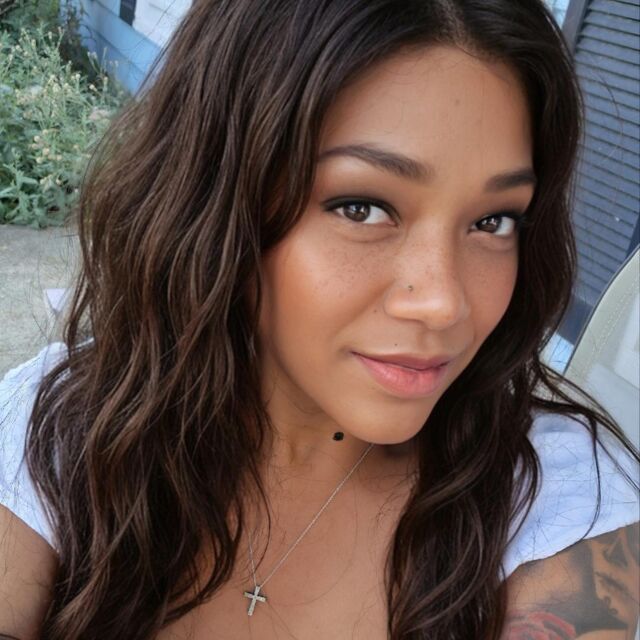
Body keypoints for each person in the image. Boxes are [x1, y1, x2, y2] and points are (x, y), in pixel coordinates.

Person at [0, 0, 638, 638]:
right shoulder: (63, 430)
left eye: (493, 221)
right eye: (362, 208)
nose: (445, 302)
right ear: (220, 204)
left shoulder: (561, 500)